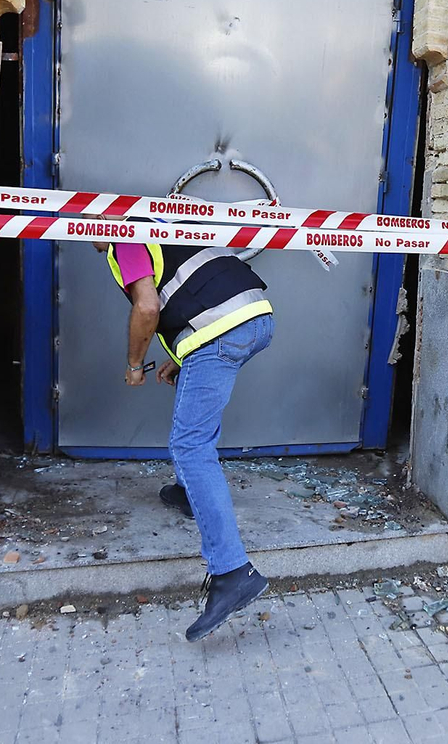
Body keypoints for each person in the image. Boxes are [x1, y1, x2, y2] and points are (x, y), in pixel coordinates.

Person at [93, 236, 275, 641]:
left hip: (221, 334)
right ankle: (190, 493)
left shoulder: (125, 238)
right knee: (198, 415)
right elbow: (197, 289)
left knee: (190, 445)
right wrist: (182, 360)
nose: (81, 231)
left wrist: (135, 364)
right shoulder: (160, 223)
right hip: (256, 318)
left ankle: (232, 572)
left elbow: (147, 306)